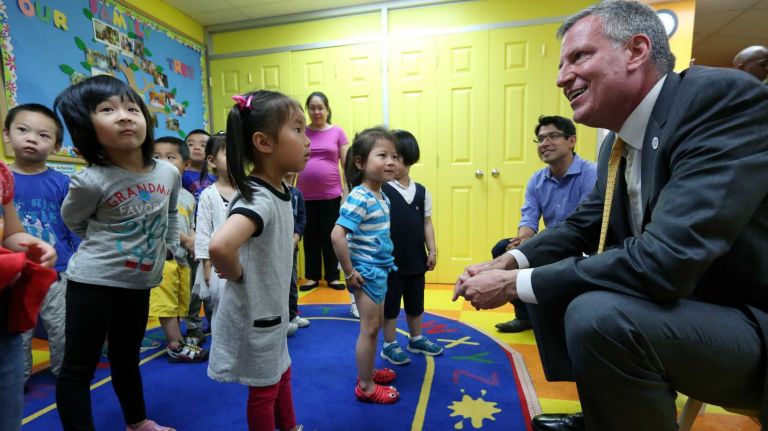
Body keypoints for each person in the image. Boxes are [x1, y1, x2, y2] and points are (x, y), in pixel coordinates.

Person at [452, 1, 768, 430]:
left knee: (598, 315)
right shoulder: (615, 145)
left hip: (748, 319)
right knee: (563, 285)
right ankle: (609, 409)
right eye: (562, 63)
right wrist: (509, 261)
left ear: (636, 51)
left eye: (578, 56)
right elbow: (584, 223)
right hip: (686, 306)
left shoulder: (714, 101)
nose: (562, 76)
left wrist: (514, 284)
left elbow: (666, 258)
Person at [54, 75, 179, 431]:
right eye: (107, 110)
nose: (124, 116)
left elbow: (169, 213)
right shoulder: (91, 180)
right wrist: (106, 245)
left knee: (127, 357)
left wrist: (167, 247)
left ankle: (137, 423)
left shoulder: (168, 172)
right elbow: (73, 222)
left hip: (138, 283)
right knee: (80, 366)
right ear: (86, 129)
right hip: (92, 283)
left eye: (131, 107)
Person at [207, 90, 308, 431]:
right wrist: (237, 276)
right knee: (264, 389)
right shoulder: (260, 197)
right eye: (298, 130)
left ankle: (290, 426)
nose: (307, 141)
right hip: (257, 313)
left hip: (272, 309)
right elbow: (220, 246)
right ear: (264, 143)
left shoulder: (279, 191)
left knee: (281, 372)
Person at [493, 116, 596, 334]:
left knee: (541, 255)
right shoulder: (536, 180)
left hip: (585, 243)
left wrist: (537, 243)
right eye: (540, 139)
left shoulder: (591, 173)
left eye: (552, 136)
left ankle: (564, 318)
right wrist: (522, 240)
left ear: (571, 141)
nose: (544, 143)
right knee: (503, 249)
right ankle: (525, 316)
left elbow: (587, 222)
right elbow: (529, 218)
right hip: (552, 241)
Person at [5, 103, 80, 380]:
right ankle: (18, 378)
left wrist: (76, 261)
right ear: (6, 133)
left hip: (56, 271)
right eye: (23, 130)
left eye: (43, 135)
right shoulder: (3, 179)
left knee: (60, 326)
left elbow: (74, 226)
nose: (32, 138)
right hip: (13, 272)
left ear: (57, 146)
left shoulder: (62, 183)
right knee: (17, 331)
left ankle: (65, 373)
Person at [330, 127, 400, 404]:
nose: (391, 161)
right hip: (365, 272)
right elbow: (337, 235)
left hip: (379, 270)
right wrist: (349, 273)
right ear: (360, 163)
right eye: (382, 155)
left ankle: (369, 370)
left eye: (394, 156)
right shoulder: (360, 196)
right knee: (369, 328)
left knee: (376, 325)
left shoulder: (382, 195)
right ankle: (366, 386)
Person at [0, 158, 57, 431]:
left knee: (8, 411)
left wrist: (31, 244)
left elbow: (10, 233)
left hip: (4, 308)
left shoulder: (2, 175)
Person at [379, 130, 442, 365]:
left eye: (397, 157)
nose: (391, 162)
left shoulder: (422, 192)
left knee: (416, 301)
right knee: (391, 304)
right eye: (388, 157)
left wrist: (432, 250)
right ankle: (389, 344)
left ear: (409, 158)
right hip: (390, 261)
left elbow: (427, 223)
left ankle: (416, 338)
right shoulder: (382, 190)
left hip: (416, 259)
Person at [150, 136, 208, 363]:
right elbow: (161, 222)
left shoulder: (186, 196)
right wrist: (185, 240)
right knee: (165, 302)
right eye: (156, 157)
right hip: (163, 258)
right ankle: (174, 344)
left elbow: (191, 223)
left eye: (170, 157)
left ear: (185, 164)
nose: (163, 162)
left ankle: (180, 337)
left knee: (179, 300)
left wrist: (193, 239)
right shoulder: (154, 192)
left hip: (182, 260)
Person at [296, 92, 349, 295]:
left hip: (332, 195)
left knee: (332, 236)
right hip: (304, 196)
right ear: (307, 109)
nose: (316, 111)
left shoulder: (337, 132)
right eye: (312, 107)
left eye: (320, 107)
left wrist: (347, 191)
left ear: (327, 109)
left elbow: (346, 164)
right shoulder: (301, 132)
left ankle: (333, 277)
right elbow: (293, 161)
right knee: (309, 236)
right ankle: (312, 276)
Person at [191, 133, 231, 334]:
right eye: (229, 153)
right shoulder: (208, 194)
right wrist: (206, 264)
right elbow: (203, 231)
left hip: (244, 259)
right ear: (212, 161)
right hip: (217, 264)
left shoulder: (249, 190)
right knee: (220, 307)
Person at [284, 172, 309, 337]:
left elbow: (301, 218)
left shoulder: (297, 194)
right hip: (275, 247)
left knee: (292, 282)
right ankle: (282, 319)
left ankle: (292, 314)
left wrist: (295, 237)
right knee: (278, 284)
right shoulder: (273, 191)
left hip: (291, 246)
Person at [181, 129, 214, 201]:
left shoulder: (216, 178)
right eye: (191, 144)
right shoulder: (180, 175)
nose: (197, 148)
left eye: (203, 145)